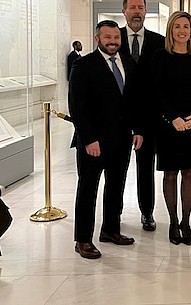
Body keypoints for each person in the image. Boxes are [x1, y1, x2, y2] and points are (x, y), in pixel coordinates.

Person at [69, 20, 143, 259]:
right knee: (88, 189)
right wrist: (88, 139)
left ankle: (110, 230)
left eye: (116, 37)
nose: (113, 41)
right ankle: (82, 239)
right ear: (97, 38)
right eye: (107, 37)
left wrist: (138, 129)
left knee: (116, 186)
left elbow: (133, 101)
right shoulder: (83, 65)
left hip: (122, 139)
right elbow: (77, 107)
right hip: (94, 142)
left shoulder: (128, 63)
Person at [151, 11, 191, 246]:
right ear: (170, 30)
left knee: (190, 173)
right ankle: (173, 221)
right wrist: (171, 117)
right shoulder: (160, 56)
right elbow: (156, 91)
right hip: (169, 125)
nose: (182, 31)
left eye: (186, 26)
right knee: (171, 173)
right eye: (177, 26)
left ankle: (186, 221)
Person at [119, 0, 165, 232]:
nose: (137, 11)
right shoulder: (113, 38)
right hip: (118, 118)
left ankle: (147, 213)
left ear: (146, 12)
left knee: (145, 169)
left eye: (140, 7)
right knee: (117, 169)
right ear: (124, 11)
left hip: (148, 120)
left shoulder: (158, 42)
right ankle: (114, 213)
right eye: (132, 7)